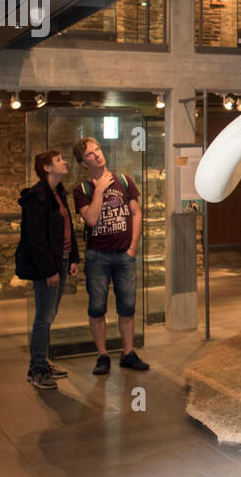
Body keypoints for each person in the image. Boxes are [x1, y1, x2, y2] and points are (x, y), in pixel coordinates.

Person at [72, 137, 150, 374]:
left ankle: (128, 353)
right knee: (97, 307)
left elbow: (136, 214)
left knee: (127, 306)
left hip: (124, 255)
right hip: (98, 257)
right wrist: (100, 190)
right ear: (84, 164)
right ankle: (102, 355)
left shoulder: (124, 181)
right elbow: (92, 219)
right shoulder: (82, 190)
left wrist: (132, 248)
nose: (96, 155)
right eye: (89, 154)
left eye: (97, 149)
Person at [16, 149, 80, 390]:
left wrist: (72, 257)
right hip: (49, 267)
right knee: (43, 317)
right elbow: (36, 239)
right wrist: (49, 270)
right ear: (47, 168)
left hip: (60, 263)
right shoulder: (37, 197)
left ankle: (42, 362)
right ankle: (37, 369)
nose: (64, 162)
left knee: (49, 314)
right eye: (58, 160)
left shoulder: (57, 193)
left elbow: (68, 227)